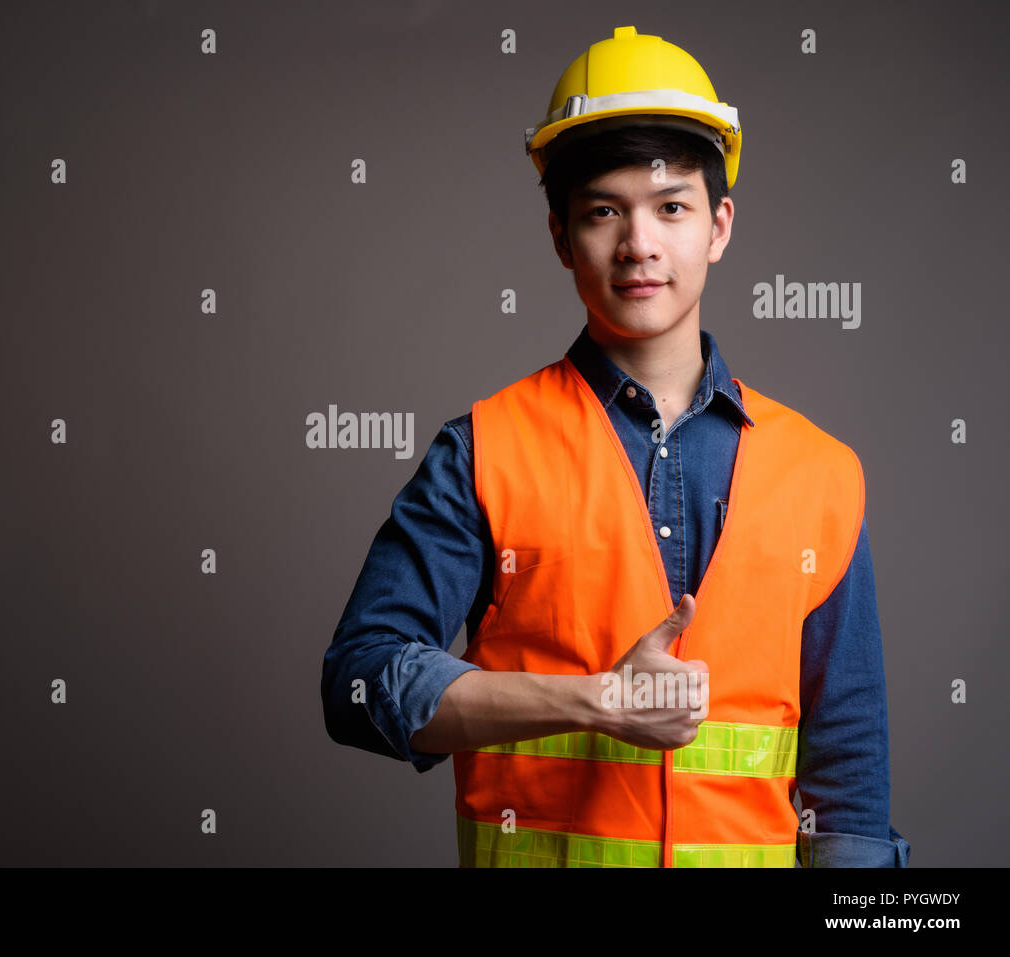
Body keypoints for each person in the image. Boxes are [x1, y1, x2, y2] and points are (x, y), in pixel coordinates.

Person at [320, 25, 910, 868]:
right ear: (562, 237)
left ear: (719, 226)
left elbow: (848, 790)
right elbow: (358, 682)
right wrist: (594, 699)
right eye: (604, 211)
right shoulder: (486, 449)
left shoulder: (822, 474)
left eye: (672, 206)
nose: (639, 243)